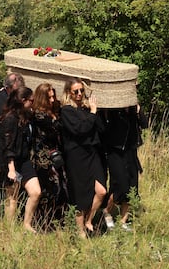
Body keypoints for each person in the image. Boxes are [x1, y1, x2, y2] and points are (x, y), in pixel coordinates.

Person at [60, 78, 106, 238]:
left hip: (93, 154)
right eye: (76, 91)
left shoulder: (87, 109)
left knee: (101, 191)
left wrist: (95, 112)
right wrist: (92, 113)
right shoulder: (66, 111)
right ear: (69, 93)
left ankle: (89, 220)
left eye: (81, 91)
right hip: (76, 156)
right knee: (80, 194)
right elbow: (81, 130)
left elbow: (100, 128)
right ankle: (80, 231)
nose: (80, 94)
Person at [0, 86, 41, 231]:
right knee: (12, 196)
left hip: (24, 161)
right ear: (22, 101)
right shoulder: (10, 119)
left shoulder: (26, 116)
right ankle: (9, 228)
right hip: (11, 163)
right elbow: (8, 146)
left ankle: (27, 224)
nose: (33, 103)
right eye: (31, 101)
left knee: (35, 192)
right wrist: (11, 169)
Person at [100, 103, 148, 232]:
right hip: (115, 151)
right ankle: (106, 212)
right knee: (119, 185)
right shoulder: (112, 109)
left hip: (130, 151)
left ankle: (123, 221)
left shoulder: (133, 109)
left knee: (132, 186)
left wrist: (138, 110)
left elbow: (144, 124)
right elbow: (105, 130)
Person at [30, 82, 68, 228]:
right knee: (50, 190)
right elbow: (55, 128)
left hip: (57, 155)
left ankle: (58, 219)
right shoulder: (38, 115)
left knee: (62, 188)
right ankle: (44, 221)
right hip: (44, 158)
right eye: (49, 98)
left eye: (53, 97)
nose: (52, 100)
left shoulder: (53, 112)